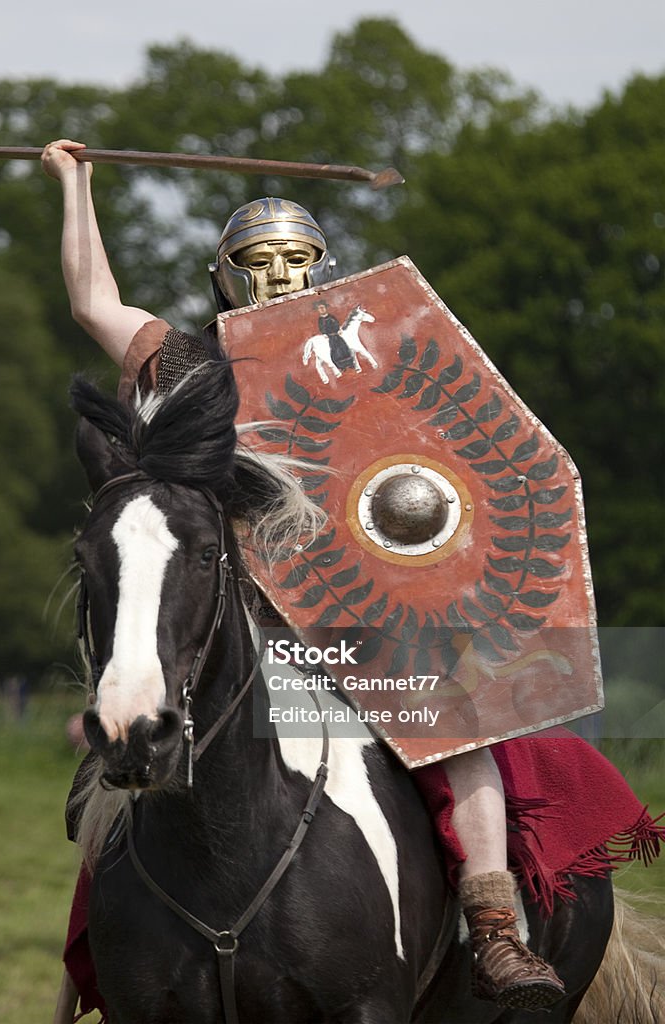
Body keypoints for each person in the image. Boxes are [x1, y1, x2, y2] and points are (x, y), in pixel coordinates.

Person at [42, 138, 565, 1016]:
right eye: (257, 263)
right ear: (225, 277)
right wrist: (75, 180)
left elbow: (432, 490)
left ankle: (494, 925)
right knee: (115, 780)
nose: (278, 277)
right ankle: (97, 973)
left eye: (296, 261)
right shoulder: (189, 365)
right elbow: (94, 300)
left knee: (459, 726)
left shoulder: (382, 361)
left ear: (326, 270)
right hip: (233, 626)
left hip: (361, 617)